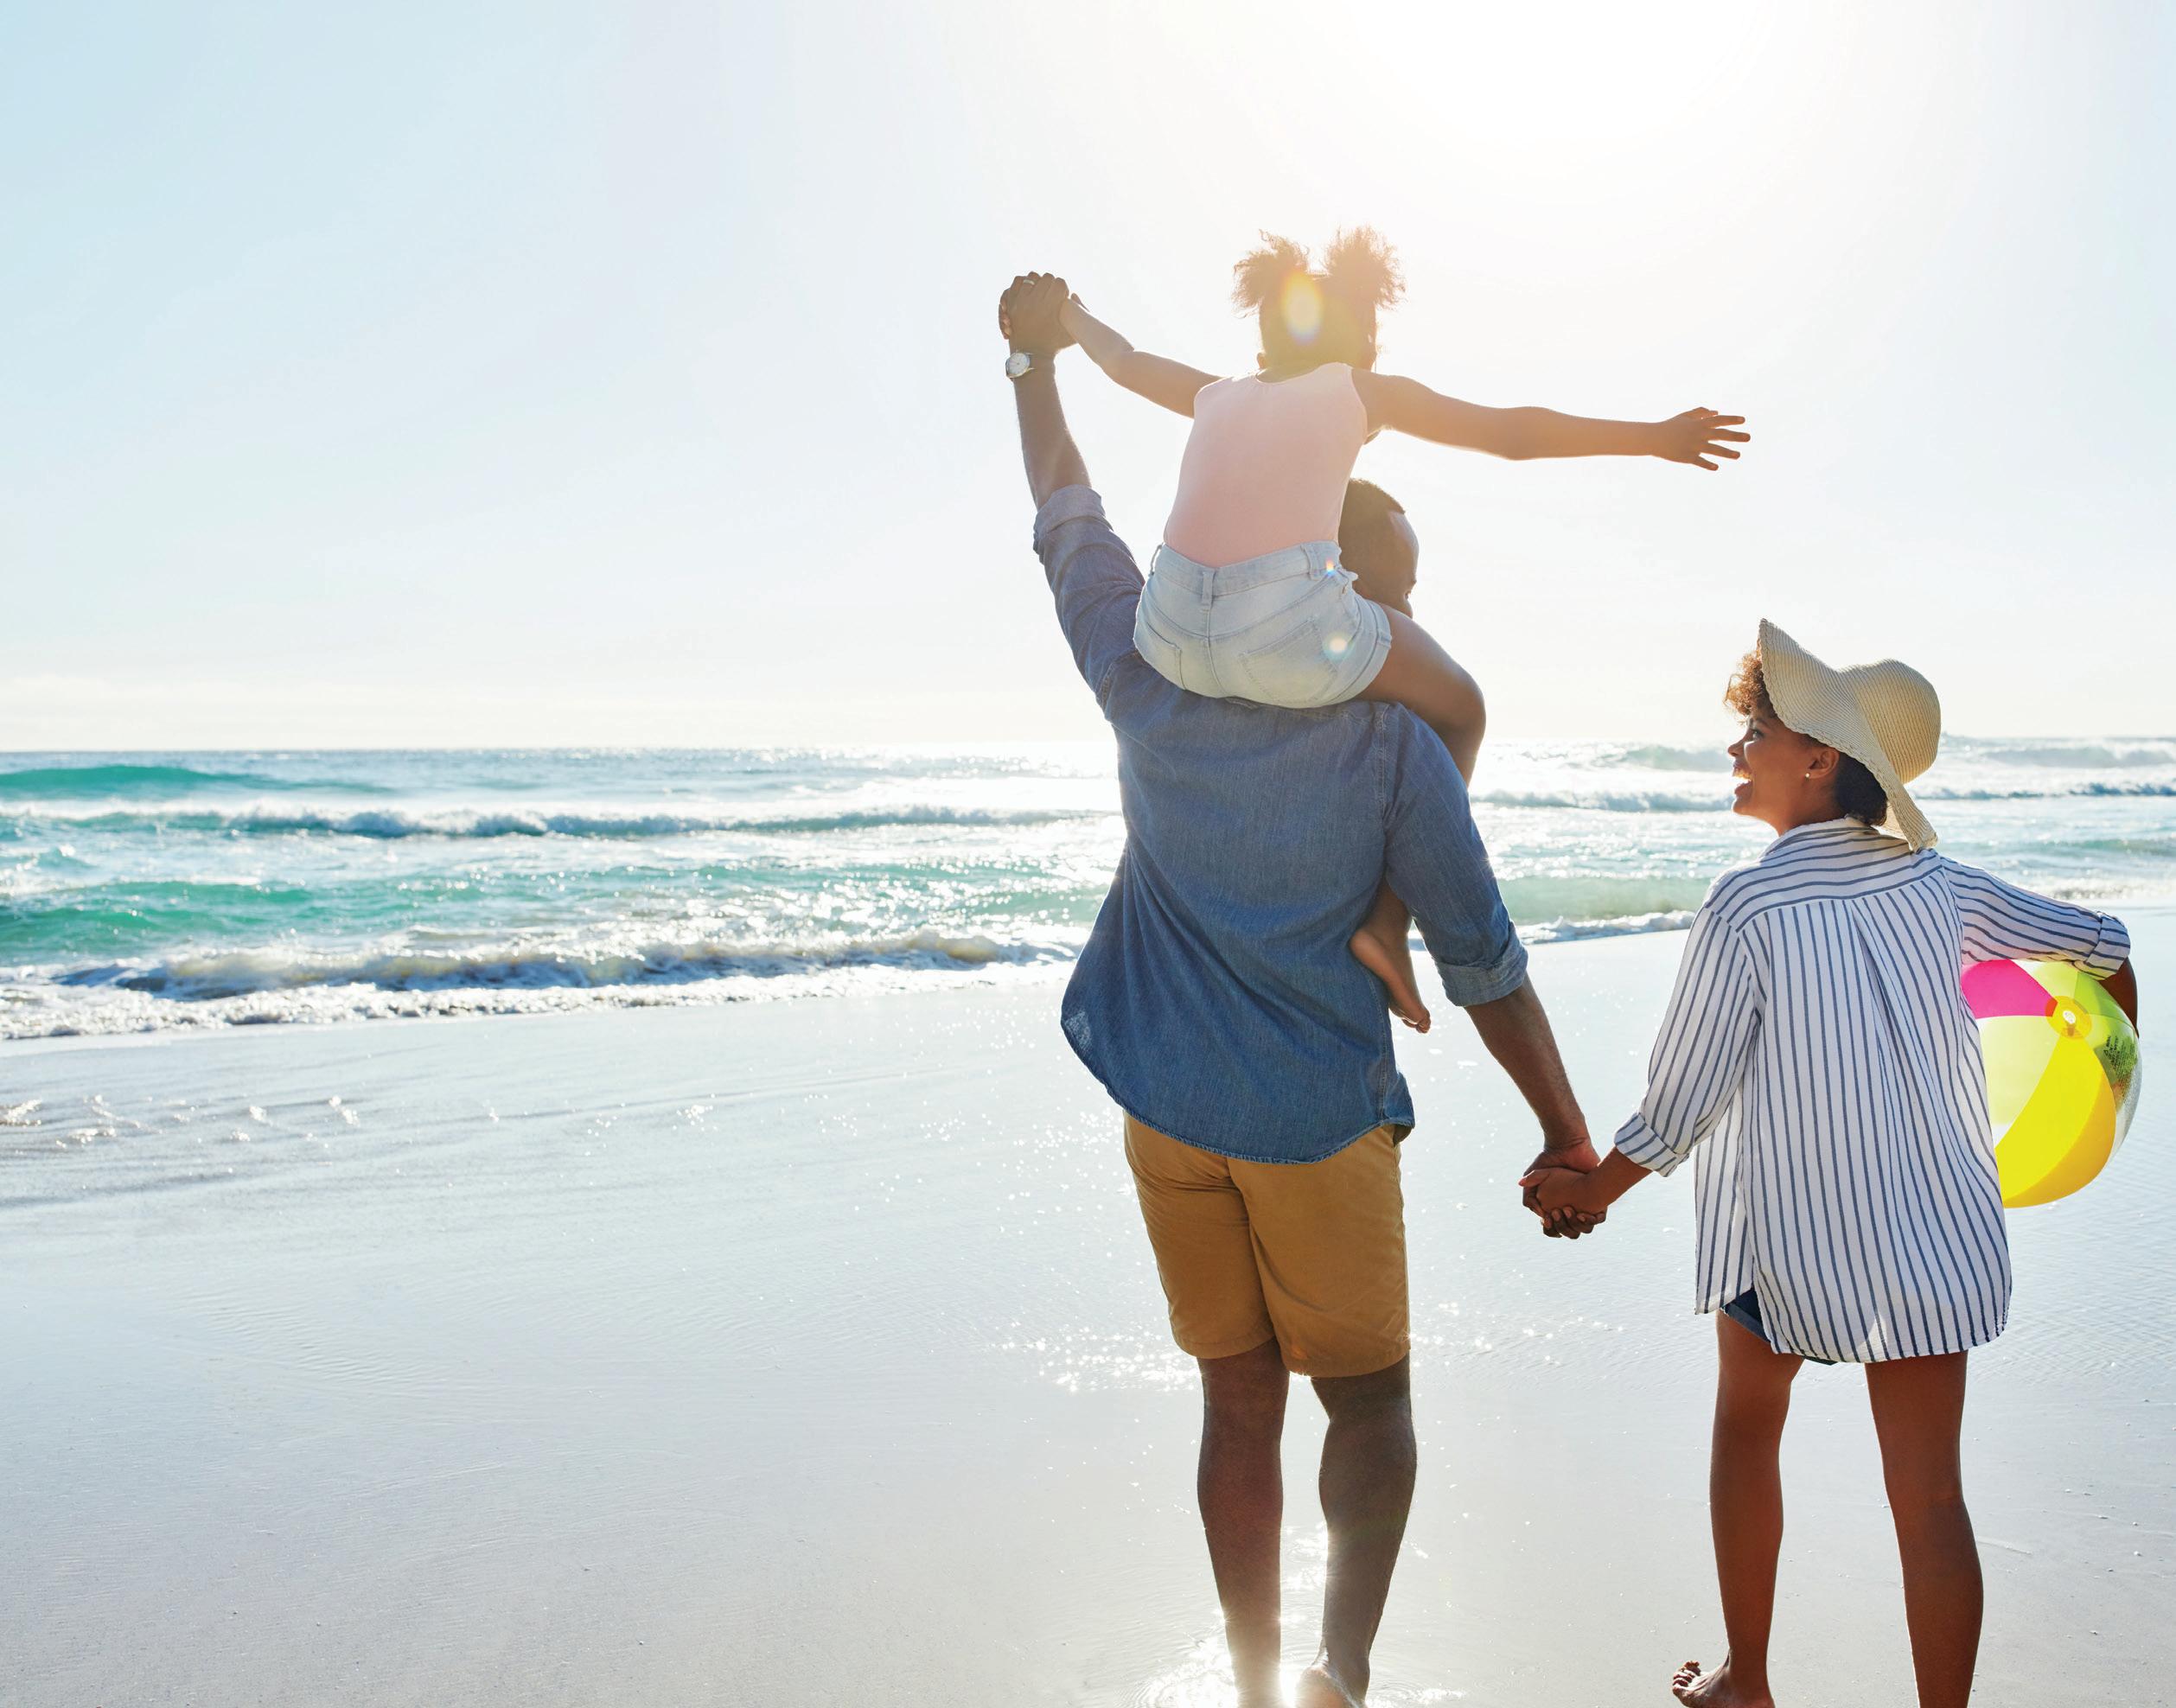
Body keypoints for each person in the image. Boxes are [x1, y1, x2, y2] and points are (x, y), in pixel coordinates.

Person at [999, 269, 1604, 1708]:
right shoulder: (1393, 746)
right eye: (1397, 581)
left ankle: (1255, 1684)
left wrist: (1032, 367)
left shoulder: (1142, 669)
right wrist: (1565, 1132)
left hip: (1166, 1110)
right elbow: (1484, 962)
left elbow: (1066, 516)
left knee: (1235, 1398)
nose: (1405, 607)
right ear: (1337, 577)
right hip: (1314, 1126)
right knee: (1369, 1404)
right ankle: (1338, 1673)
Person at [1524, 622, 2139, 1708]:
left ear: (1819, 759)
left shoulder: (1748, 903)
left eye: (1756, 732)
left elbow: (1683, 1098)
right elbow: (2106, 950)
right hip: (1938, 1236)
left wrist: (1591, 1190)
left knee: (1746, 1427)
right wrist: (2098, 1102)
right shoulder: (1942, 885)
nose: (1735, 749)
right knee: (1931, 1499)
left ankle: (1748, 1680)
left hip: (1789, 1246)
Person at [1056, 229, 1749, 1034]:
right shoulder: (1360, 389)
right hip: (1284, 635)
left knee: (1304, 632)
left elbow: (1121, 360)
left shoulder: (1214, 392)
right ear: (1363, 341)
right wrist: (1653, 437)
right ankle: (1386, 923)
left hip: (1165, 632)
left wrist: (1066, 313)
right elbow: (1511, 434)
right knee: (1461, 707)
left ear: (1264, 340)